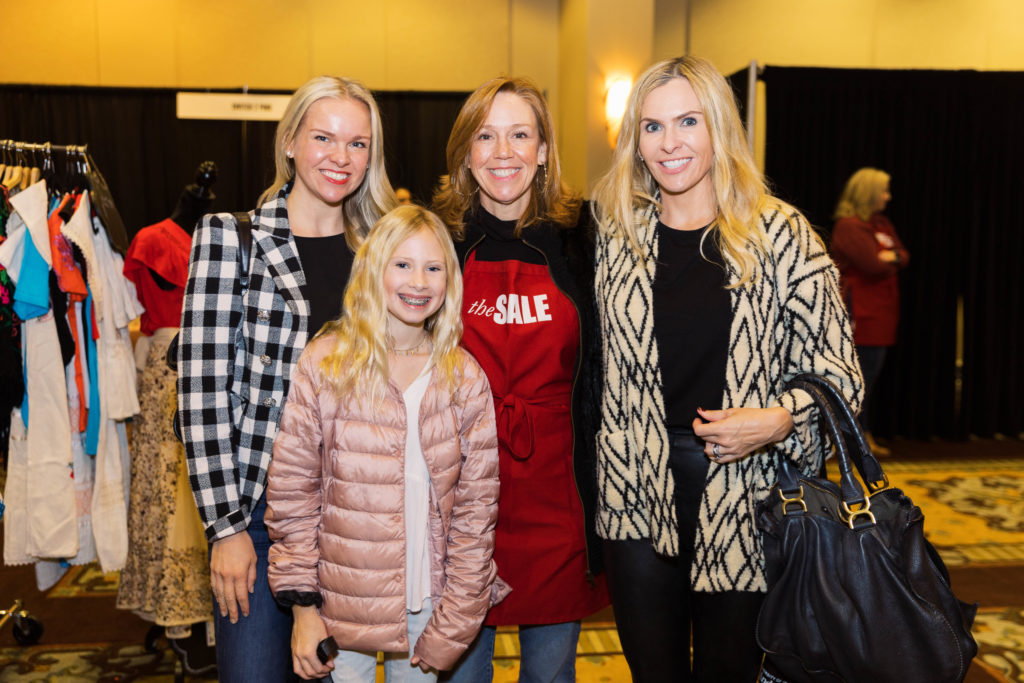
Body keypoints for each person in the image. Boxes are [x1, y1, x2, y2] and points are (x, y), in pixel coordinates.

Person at [590, 56, 864, 682]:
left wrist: (776, 421)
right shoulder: (614, 233)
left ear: (719, 126)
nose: (670, 143)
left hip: (749, 498)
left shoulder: (781, 235)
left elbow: (840, 375)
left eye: (688, 121)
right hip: (634, 493)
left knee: (730, 672)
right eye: (652, 126)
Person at [177, 75, 396, 682]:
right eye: (324, 137)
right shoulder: (232, 237)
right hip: (257, 519)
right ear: (292, 142)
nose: (340, 157)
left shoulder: (380, 251)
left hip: (354, 524)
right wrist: (226, 529)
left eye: (358, 143)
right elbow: (200, 397)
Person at [265, 204, 507, 682]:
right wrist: (303, 608)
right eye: (403, 264)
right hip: (339, 605)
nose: (419, 281)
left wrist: (455, 623)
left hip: (428, 608)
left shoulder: (463, 377)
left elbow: (476, 514)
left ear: (449, 280)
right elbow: (293, 493)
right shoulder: (327, 363)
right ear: (375, 267)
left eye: (433, 267)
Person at [433, 76, 608, 683]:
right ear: (466, 153)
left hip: (557, 491)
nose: (502, 151)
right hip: (461, 494)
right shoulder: (438, 241)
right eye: (486, 135)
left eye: (519, 134)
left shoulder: (583, 239)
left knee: (552, 675)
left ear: (543, 151)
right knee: (460, 671)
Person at [830, 168, 909, 457]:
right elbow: (873, 266)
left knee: (870, 380)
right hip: (860, 316)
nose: (888, 197)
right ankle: (855, 442)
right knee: (858, 380)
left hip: (883, 314)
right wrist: (889, 259)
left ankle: (863, 437)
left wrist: (892, 256)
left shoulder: (882, 224)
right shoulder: (849, 226)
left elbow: (903, 254)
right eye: (884, 191)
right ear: (870, 193)